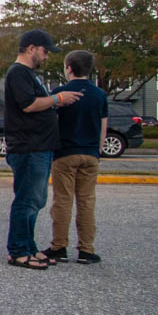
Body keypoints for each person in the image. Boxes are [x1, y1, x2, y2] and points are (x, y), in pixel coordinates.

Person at [3, 29, 82, 270]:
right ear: (31, 48)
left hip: (40, 146)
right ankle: (17, 251)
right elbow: (28, 104)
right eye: (45, 51)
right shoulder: (18, 73)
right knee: (27, 200)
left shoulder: (28, 74)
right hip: (28, 147)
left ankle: (28, 247)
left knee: (35, 201)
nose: (46, 57)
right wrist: (58, 99)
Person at [43, 50, 107, 265]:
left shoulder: (60, 93)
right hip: (90, 154)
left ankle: (59, 246)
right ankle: (86, 250)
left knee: (63, 200)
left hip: (65, 153)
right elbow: (103, 128)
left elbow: (52, 122)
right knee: (87, 202)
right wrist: (96, 151)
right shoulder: (100, 95)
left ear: (69, 67)